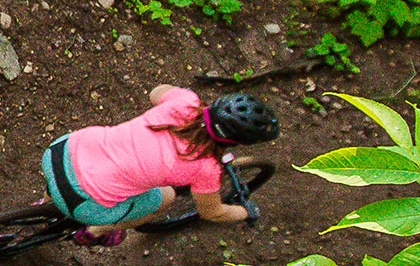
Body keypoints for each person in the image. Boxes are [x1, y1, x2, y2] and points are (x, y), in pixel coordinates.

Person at [43, 85, 274, 247]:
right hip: (79, 201)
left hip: (59, 152)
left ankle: (45, 201)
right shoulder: (206, 168)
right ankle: (97, 231)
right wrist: (245, 212)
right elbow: (212, 212)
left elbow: (156, 93)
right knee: (165, 198)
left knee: (89, 162)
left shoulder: (186, 102)